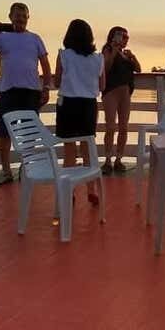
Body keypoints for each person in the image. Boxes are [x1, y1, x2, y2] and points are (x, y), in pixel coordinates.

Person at [0, 2, 52, 185]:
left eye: (23, 15)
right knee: (4, 132)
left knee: (29, 133)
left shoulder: (35, 38)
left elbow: (45, 65)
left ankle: (27, 168)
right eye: (17, 15)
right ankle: (6, 171)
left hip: (31, 92)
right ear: (10, 17)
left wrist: (46, 87)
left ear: (28, 18)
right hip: (8, 91)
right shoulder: (0, 37)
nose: (20, 19)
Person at [54, 19, 105, 204]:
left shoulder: (63, 55)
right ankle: (91, 189)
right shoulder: (98, 58)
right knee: (87, 149)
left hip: (68, 104)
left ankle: (71, 191)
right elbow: (102, 85)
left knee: (69, 150)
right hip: (88, 106)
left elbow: (57, 82)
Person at [101, 26, 140, 174]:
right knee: (110, 127)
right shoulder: (107, 50)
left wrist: (133, 57)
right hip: (111, 92)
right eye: (122, 36)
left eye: (126, 37)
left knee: (124, 127)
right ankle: (107, 160)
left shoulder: (127, 54)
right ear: (113, 36)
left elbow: (138, 69)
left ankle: (118, 159)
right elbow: (105, 67)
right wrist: (114, 50)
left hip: (125, 93)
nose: (125, 40)